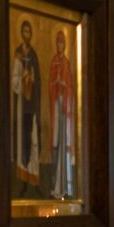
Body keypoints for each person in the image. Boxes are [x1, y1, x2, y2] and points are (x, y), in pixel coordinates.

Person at [12, 19, 41, 189]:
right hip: (22, 105)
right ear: (21, 33)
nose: (27, 35)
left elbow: (38, 82)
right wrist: (23, 78)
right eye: (25, 31)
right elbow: (14, 82)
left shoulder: (34, 55)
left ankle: (32, 178)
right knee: (22, 138)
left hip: (31, 105)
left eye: (29, 32)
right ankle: (22, 180)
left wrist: (33, 79)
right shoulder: (17, 54)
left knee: (32, 139)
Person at [49, 29, 76, 200]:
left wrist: (64, 85)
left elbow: (71, 88)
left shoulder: (66, 63)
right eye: (58, 42)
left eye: (62, 42)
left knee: (64, 144)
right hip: (56, 107)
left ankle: (65, 187)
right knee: (56, 144)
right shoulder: (54, 62)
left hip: (64, 108)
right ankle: (55, 187)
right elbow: (49, 85)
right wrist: (55, 83)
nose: (60, 45)